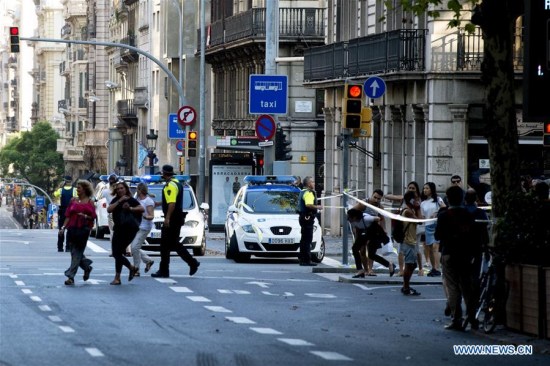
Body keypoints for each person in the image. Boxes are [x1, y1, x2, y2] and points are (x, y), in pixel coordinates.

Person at [435, 185, 477, 331]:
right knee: (467, 286)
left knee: (452, 287)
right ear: (462, 198)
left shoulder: (443, 215)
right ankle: (472, 317)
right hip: (465, 253)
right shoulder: (468, 214)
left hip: (449, 253)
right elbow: (473, 235)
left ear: (448, 198)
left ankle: (456, 319)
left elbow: (438, 235)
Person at [152, 165, 200, 278]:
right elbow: (171, 200)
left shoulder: (170, 186)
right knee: (171, 244)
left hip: (172, 219)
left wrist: (167, 218)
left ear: (164, 173)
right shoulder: (177, 183)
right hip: (177, 218)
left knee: (166, 245)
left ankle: (190, 263)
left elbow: (172, 203)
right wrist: (159, 203)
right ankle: (168, 269)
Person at [107, 181, 144, 285]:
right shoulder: (116, 200)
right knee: (117, 253)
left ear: (126, 189)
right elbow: (109, 209)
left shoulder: (131, 200)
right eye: (118, 189)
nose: (119, 190)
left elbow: (141, 208)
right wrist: (119, 201)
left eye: (121, 188)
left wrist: (130, 208)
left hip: (129, 230)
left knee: (117, 253)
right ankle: (119, 276)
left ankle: (130, 269)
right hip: (118, 228)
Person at [61, 180, 97, 285]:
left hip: (83, 229)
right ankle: (87, 267)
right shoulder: (73, 200)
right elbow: (68, 215)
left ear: (85, 189)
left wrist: (85, 216)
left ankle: (70, 277)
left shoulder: (90, 202)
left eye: (79, 188)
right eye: (77, 188)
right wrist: (63, 227)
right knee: (74, 252)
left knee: (77, 252)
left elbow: (93, 217)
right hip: (72, 229)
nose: (77, 190)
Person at [347, 207, 395, 277]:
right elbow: (356, 230)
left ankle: (389, 264)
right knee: (355, 248)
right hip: (364, 232)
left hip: (374, 232)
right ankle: (360, 270)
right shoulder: (352, 222)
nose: (348, 219)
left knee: (371, 255)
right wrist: (357, 241)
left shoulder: (366, 219)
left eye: (349, 217)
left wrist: (381, 229)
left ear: (354, 217)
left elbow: (378, 218)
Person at [420, 182, 446, 277]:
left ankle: (437, 267)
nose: (425, 190)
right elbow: (423, 216)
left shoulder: (438, 199)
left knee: (436, 247)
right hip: (427, 225)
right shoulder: (422, 203)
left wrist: (436, 212)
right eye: (424, 188)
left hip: (436, 225)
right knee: (430, 247)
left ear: (432, 189)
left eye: (427, 188)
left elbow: (444, 208)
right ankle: (433, 268)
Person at [129, 183, 155, 276]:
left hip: (144, 227)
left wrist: (144, 216)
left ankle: (136, 269)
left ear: (140, 190)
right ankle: (148, 260)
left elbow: (151, 216)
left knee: (134, 247)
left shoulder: (148, 201)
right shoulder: (138, 200)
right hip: (136, 227)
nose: (136, 191)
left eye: (137, 189)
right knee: (135, 247)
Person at [297, 176, 321, 266]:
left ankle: (302, 259)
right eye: (312, 182)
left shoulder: (302, 191)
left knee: (304, 239)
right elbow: (309, 205)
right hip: (307, 217)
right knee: (307, 239)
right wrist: (318, 207)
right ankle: (306, 260)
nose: (314, 183)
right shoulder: (308, 193)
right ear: (308, 184)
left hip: (303, 217)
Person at [400, 190, 420, 296]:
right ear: (411, 199)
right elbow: (420, 220)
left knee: (413, 264)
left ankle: (405, 285)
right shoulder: (408, 211)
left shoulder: (409, 209)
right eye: (416, 198)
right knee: (409, 264)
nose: (417, 200)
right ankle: (406, 286)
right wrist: (419, 208)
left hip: (411, 240)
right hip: (408, 241)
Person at [54, 176, 77, 252]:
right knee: (70, 230)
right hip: (71, 211)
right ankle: (68, 247)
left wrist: (60, 187)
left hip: (63, 211)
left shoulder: (60, 190)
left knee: (61, 229)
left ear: (64, 182)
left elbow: (55, 194)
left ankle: (60, 247)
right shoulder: (74, 190)